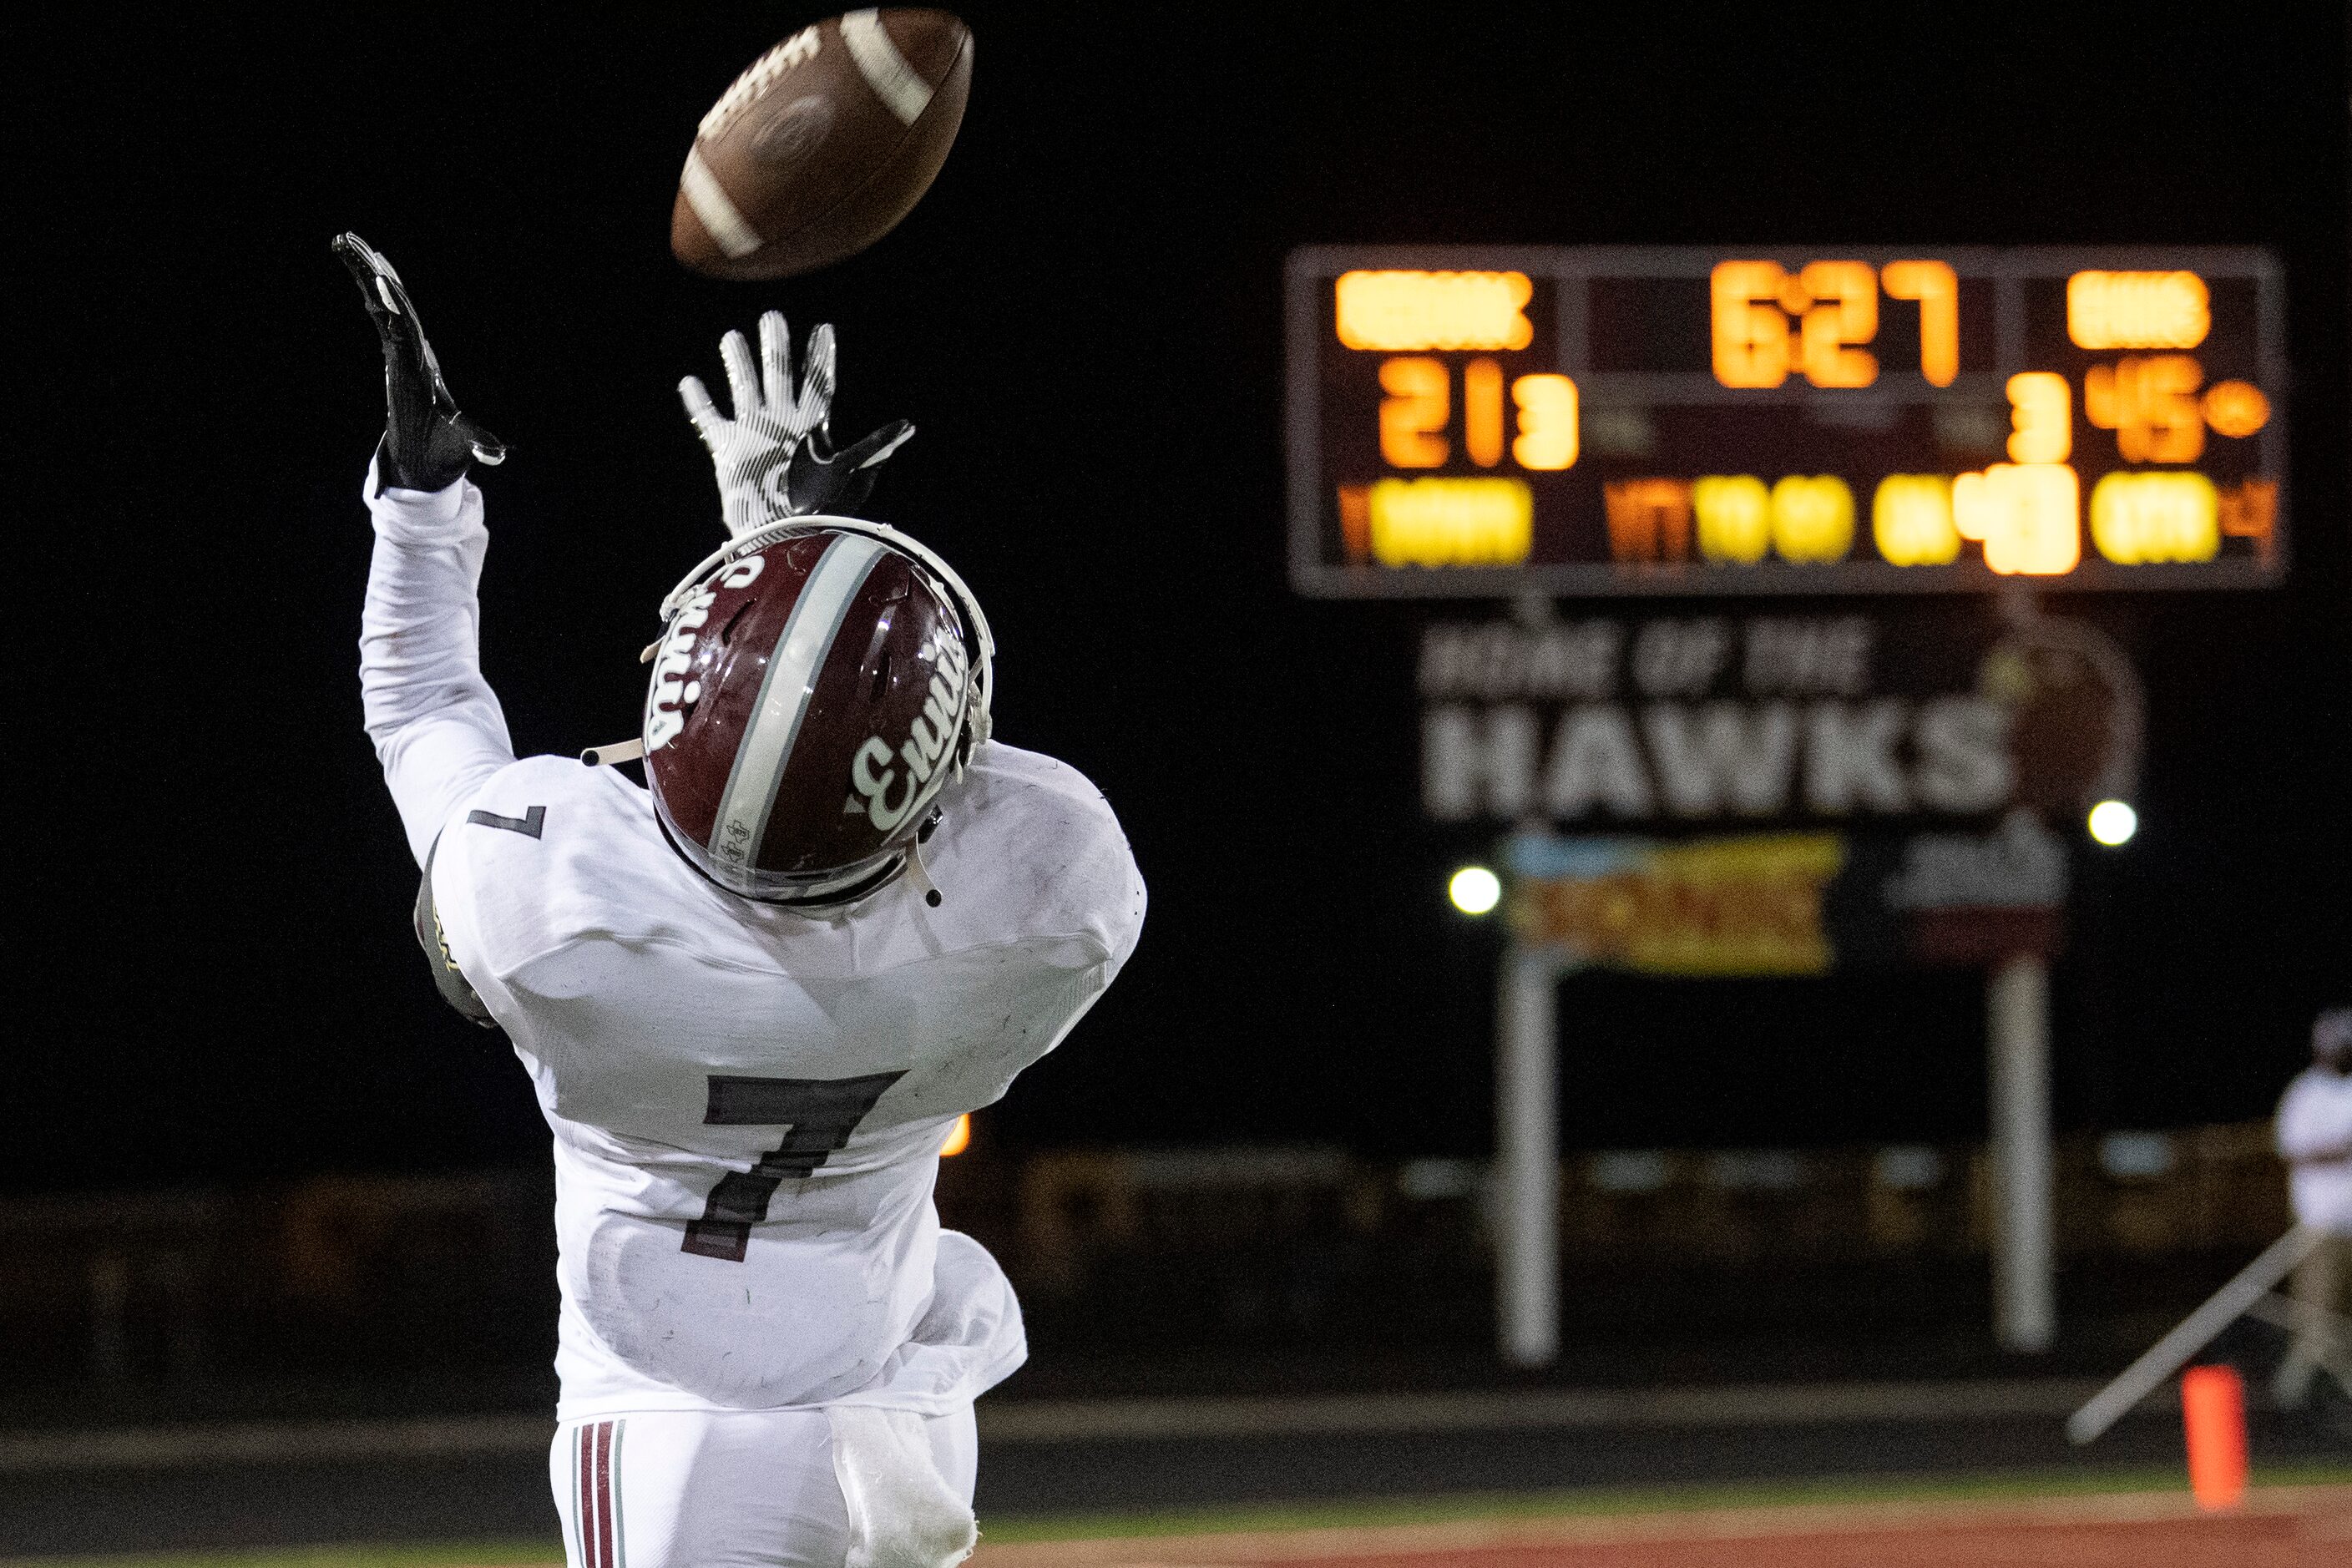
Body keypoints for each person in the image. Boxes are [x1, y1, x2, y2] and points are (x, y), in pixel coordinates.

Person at [336, 234, 1146, 1568]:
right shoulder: (1052, 909)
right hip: (901, 1400)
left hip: (670, 1421)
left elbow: (423, 707)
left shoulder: (554, 911)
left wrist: (422, 510)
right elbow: (932, 778)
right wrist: (790, 547)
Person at [2273, 1006, 2352, 1410]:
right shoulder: (2306, 1092)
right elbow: (2292, 1150)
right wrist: (2342, 1151)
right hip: (2321, 1221)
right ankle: (2293, 1397)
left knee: (2340, 1313)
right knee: (2317, 1311)